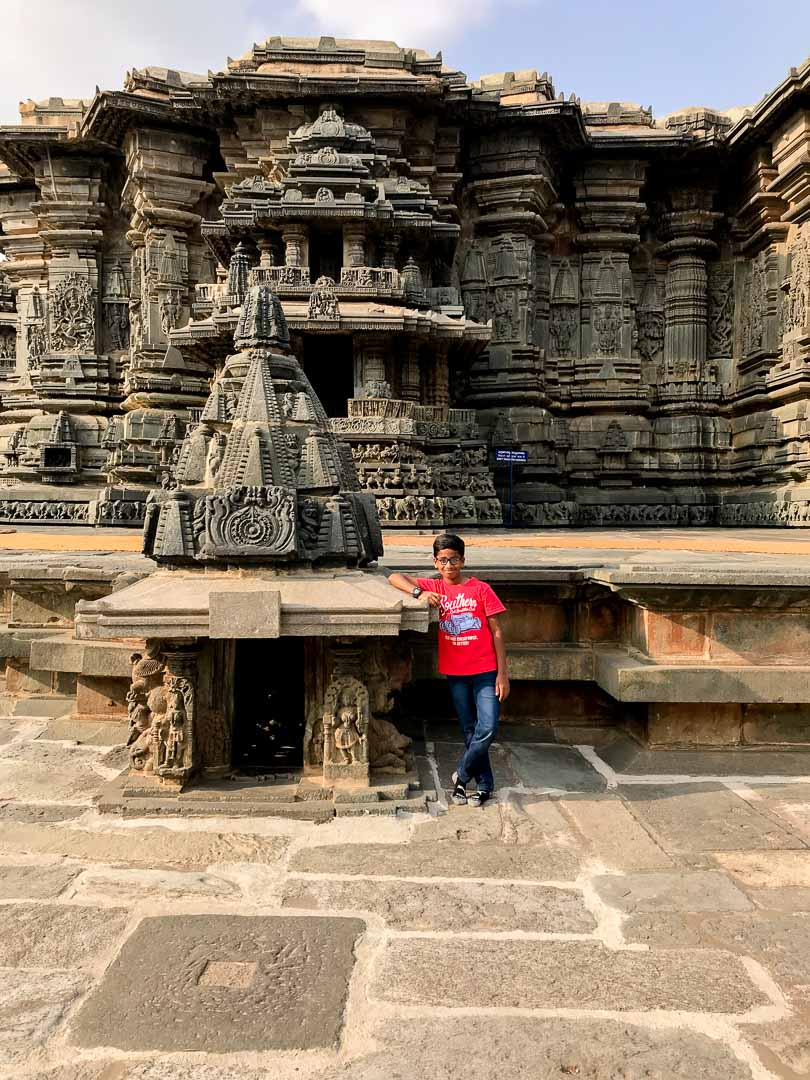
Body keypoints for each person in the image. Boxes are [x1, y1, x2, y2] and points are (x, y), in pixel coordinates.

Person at [387, 532, 509, 807]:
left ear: (463, 561)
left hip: (486, 670)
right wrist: (420, 592)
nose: (449, 565)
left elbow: (498, 632)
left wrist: (503, 674)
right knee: (469, 729)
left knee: (487, 726)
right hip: (456, 672)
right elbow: (393, 577)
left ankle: (462, 775)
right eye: (443, 560)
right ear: (436, 563)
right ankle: (484, 785)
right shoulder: (436, 588)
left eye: (454, 559)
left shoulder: (481, 589)